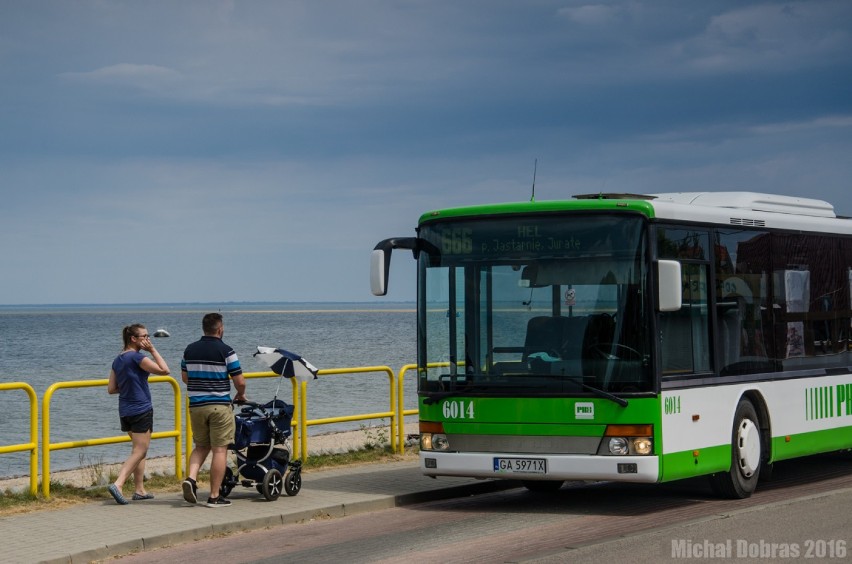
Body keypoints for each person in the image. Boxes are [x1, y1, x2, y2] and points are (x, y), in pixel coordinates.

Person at [181, 313, 247, 507]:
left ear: (204, 328)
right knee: (220, 450)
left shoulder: (189, 350)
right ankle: (214, 496)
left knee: (201, 446)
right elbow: (239, 381)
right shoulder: (226, 351)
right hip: (219, 405)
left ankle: (191, 479)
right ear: (220, 329)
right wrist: (241, 394)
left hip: (196, 406)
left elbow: (185, 378)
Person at [106, 324, 170, 505]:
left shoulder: (118, 359)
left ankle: (139, 490)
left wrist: (129, 387)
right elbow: (165, 370)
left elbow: (111, 389)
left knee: (138, 450)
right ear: (133, 339)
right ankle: (118, 483)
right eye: (144, 336)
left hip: (125, 410)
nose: (147, 339)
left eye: (149, 336)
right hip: (141, 408)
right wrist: (153, 350)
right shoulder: (136, 357)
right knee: (140, 449)